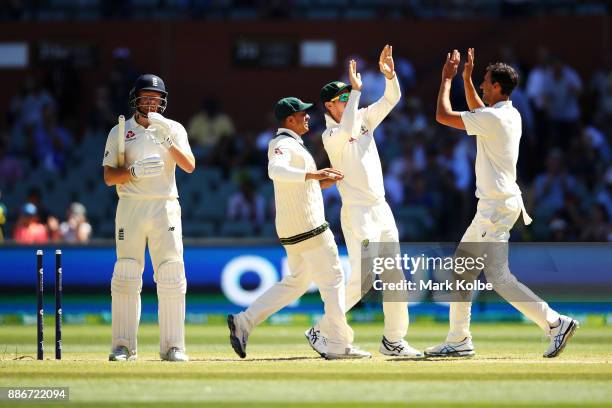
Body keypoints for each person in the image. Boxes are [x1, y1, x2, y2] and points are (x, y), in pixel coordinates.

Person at [429, 48, 578, 358]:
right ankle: (460, 339)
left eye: (485, 82)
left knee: (494, 277)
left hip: (494, 209)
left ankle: (554, 323)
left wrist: (447, 79)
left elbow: (443, 115)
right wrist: (467, 80)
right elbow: (479, 111)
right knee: (464, 270)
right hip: (501, 205)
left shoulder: (494, 118)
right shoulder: (509, 114)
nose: (482, 86)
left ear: (497, 87)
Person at [227, 97, 370, 360]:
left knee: (297, 282)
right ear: (289, 119)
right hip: (310, 228)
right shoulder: (281, 143)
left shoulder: (294, 145)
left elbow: (298, 185)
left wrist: (322, 181)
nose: (307, 117)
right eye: (302, 114)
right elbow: (275, 172)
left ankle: (244, 321)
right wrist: (314, 175)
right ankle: (339, 344)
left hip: (294, 230)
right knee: (334, 281)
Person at [306, 45, 422, 358]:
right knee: (364, 279)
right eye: (342, 99)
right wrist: (356, 91)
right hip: (358, 213)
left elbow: (391, 99)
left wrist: (390, 76)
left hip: (382, 209)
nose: (348, 101)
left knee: (395, 275)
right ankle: (323, 329)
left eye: (349, 96)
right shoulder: (330, 136)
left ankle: (394, 340)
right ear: (328, 106)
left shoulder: (364, 118)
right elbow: (346, 130)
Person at [102, 74, 195, 362]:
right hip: (131, 205)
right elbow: (108, 177)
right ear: (136, 100)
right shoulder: (120, 131)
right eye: (146, 97)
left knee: (171, 275)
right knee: (127, 275)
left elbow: (189, 166)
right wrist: (133, 173)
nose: (152, 102)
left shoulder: (174, 128)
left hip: (164, 206)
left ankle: (173, 347)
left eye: (156, 98)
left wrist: (167, 140)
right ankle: (122, 346)